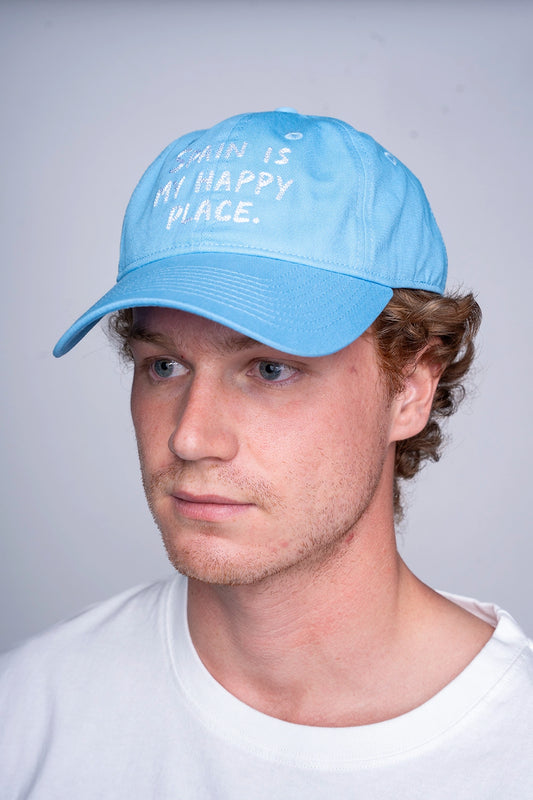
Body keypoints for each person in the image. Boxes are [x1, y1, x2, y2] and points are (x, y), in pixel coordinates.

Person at [1, 109, 531, 798]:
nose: (190, 437)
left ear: (409, 388)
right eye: (163, 365)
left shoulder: (514, 747)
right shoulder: (28, 715)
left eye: (270, 369)